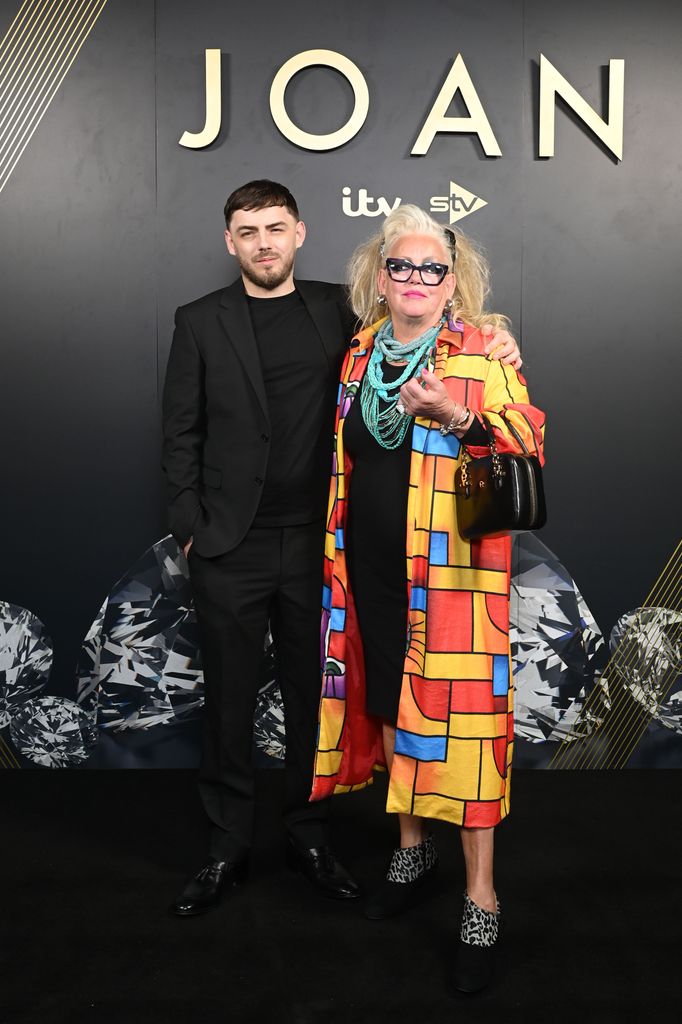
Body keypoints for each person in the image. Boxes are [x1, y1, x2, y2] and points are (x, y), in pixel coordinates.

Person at [162, 181, 522, 918]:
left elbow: (451, 337)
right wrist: (192, 526)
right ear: (230, 241)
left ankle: (310, 837)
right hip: (243, 547)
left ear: (300, 234)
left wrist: (496, 336)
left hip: (341, 555)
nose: (263, 242)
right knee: (231, 704)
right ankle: (227, 849)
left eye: (276, 228)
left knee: (316, 702)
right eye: (247, 230)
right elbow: (179, 434)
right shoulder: (216, 323)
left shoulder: (345, 314)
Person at [311, 204, 545, 992]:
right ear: (380, 279)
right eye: (401, 267)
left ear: (454, 284)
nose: (415, 280)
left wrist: (456, 411)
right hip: (371, 570)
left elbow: (527, 445)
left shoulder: (480, 351)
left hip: (453, 579)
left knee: (470, 731)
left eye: (432, 269)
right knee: (391, 707)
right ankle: (411, 852)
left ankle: (482, 897)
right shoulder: (356, 354)